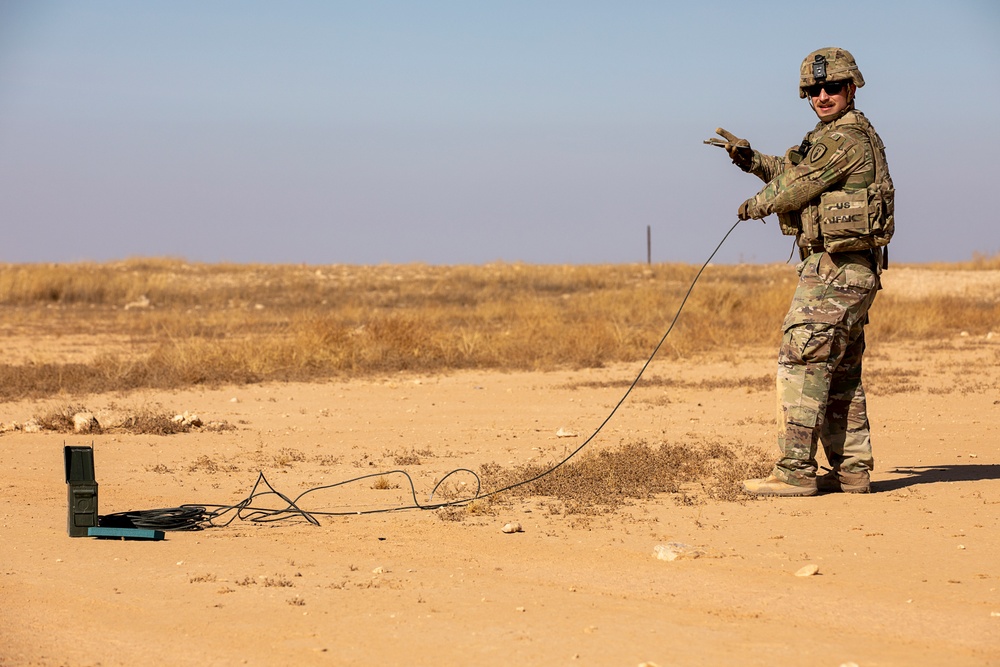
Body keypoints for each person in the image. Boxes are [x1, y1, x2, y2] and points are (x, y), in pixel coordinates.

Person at [710, 47, 895, 496]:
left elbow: (795, 186)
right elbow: (794, 171)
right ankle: (851, 469)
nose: (823, 95)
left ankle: (794, 470)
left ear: (852, 88)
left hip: (836, 272)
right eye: (814, 89)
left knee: (803, 356)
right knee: (841, 369)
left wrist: (756, 205)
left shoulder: (845, 139)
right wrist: (750, 159)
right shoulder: (833, 137)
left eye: (832, 87)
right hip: (848, 271)